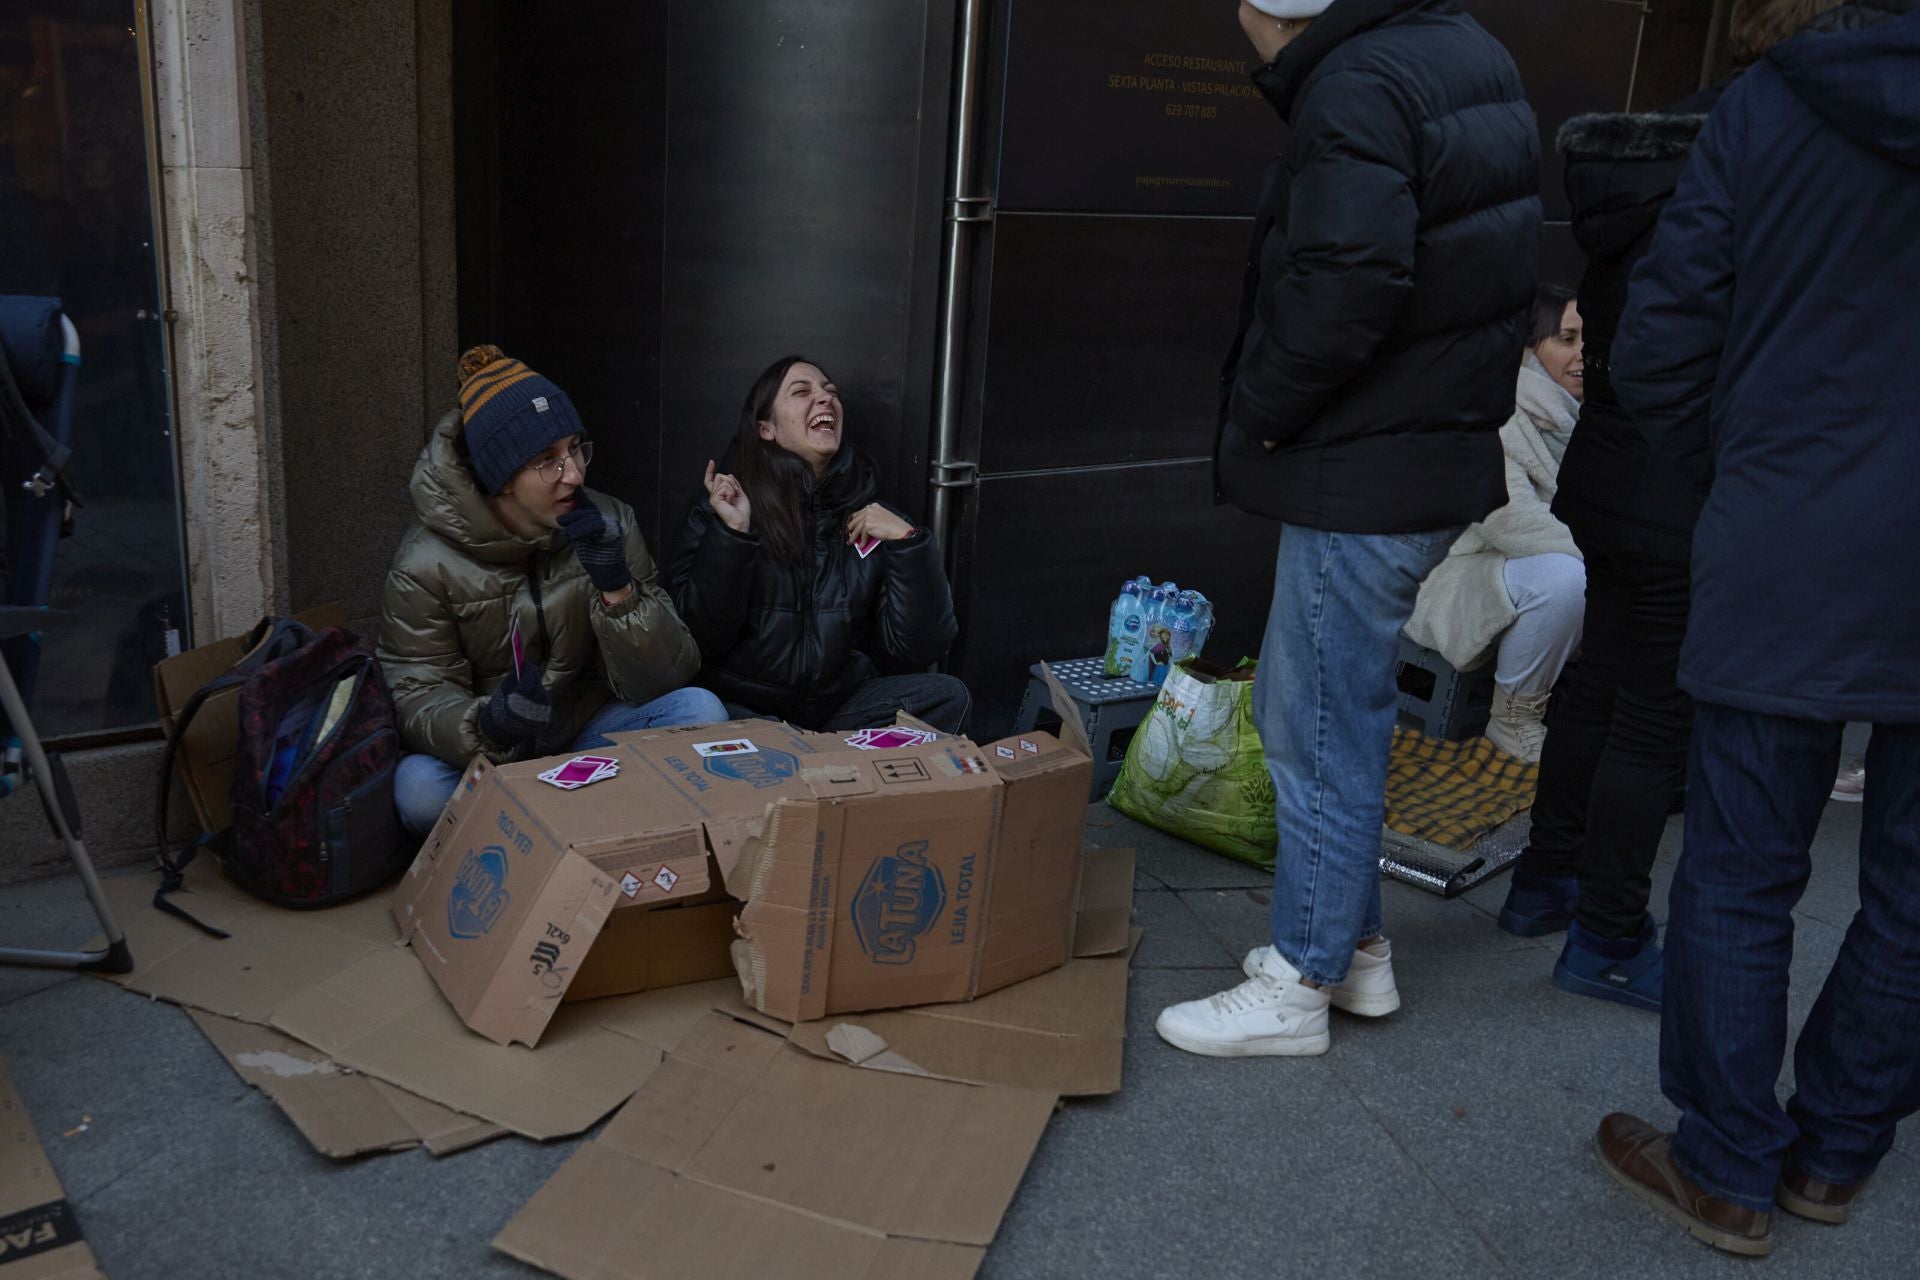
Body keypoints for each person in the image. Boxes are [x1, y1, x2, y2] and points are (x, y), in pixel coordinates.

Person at [1590, 0, 1920, 1256]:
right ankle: (1835, 1151)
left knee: (1738, 868)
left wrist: (1758, 472)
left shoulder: (1767, 106)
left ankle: (1728, 1162)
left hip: (1791, 535)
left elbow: (1661, 344)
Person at [1154, 0, 1539, 1059]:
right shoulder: (1465, 52)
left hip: (1364, 458)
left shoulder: (1359, 84)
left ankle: (1302, 976)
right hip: (1428, 445)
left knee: (1316, 725)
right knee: (1327, 706)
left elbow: (1347, 282)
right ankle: (1359, 946)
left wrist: (1263, 414)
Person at [1492, 76, 1735, 1009]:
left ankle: (1542, 883)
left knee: (1596, 690)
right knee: (1648, 714)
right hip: (1676, 486)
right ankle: (1610, 932)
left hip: (1605, 475)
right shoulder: (1716, 213)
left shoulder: (1626, 210)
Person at [379, 345, 725, 836]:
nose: (575, 474)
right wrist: (488, 724)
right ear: (499, 479)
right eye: (547, 461)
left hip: (584, 737)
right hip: (491, 755)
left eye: (575, 449)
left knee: (702, 711)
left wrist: (618, 590)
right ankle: (576, 825)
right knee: (418, 789)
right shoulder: (424, 563)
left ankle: (542, 828)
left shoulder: (610, 522)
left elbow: (666, 679)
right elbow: (416, 692)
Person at [667, 355, 968, 733]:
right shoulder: (723, 506)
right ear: (766, 429)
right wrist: (733, 535)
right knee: (708, 714)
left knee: (946, 695)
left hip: (836, 714)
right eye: (802, 391)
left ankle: (827, 768)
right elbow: (698, 639)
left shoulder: (872, 517)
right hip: (747, 715)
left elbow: (921, 649)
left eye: (830, 392)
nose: (825, 399)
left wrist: (909, 545)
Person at [1404, 285, 1587, 763]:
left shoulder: (1580, 414)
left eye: (1588, 339)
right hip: (1457, 571)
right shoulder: (1493, 408)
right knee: (1568, 580)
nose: (1582, 354)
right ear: (1530, 348)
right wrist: (1603, 554)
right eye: (1567, 339)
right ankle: (1513, 719)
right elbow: (1508, 519)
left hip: (1520, 566)